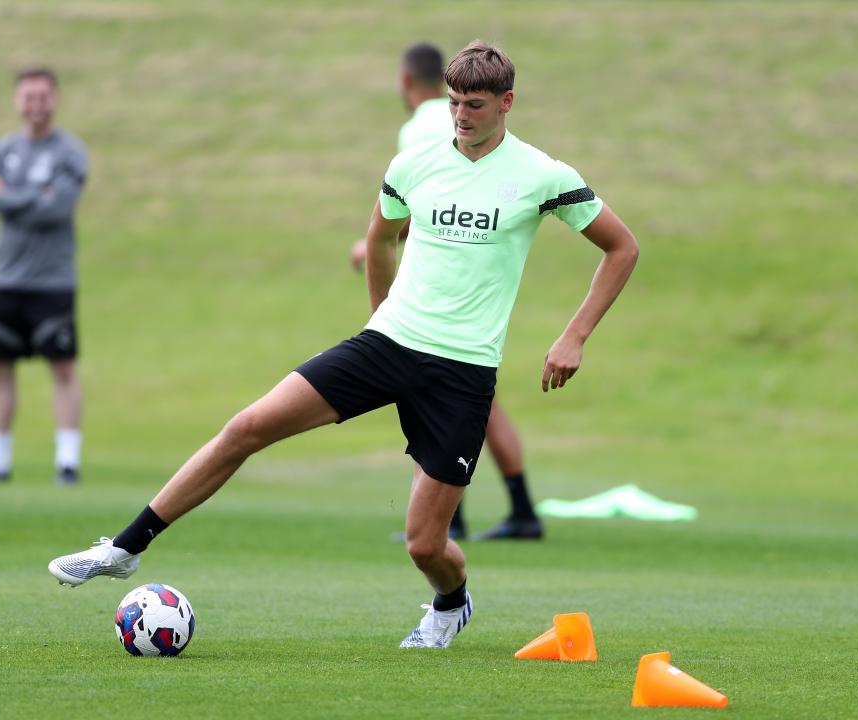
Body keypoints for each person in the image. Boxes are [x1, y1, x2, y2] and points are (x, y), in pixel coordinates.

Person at [48, 42, 638, 650]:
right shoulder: (414, 163)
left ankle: (452, 601)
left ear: (507, 103)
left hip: (462, 372)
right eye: (454, 102)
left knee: (425, 545)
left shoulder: (543, 176)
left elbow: (623, 247)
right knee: (248, 426)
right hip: (389, 344)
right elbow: (379, 239)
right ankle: (125, 548)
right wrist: (379, 319)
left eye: (475, 105)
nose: (461, 116)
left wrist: (575, 336)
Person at [351, 42, 542, 541]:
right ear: (445, 85)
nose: (462, 114)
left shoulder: (419, 128)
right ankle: (519, 510)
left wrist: (374, 245)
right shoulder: (457, 113)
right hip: (472, 303)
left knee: (457, 405)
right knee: (482, 407)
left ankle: (454, 520)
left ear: (405, 82)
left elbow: (434, 206)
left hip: (447, 303)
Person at [0, 67, 88, 485]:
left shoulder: (70, 153)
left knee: (62, 368)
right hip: (6, 278)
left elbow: (56, 208)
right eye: (27, 96)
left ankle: (67, 460)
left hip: (52, 282)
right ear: (17, 101)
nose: (35, 104)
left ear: (54, 99)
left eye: (42, 96)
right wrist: (30, 196)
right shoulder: (0, 149)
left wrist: (10, 196)